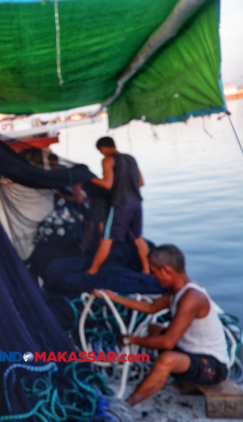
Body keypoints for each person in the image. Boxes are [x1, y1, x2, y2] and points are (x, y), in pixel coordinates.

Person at [93, 245, 229, 406]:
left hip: (213, 367)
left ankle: (126, 405)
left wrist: (131, 340)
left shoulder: (192, 297)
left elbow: (167, 343)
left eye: (154, 272)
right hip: (190, 352)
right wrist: (114, 297)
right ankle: (166, 375)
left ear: (166, 270)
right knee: (154, 327)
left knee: (167, 359)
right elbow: (151, 308)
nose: (152, 276)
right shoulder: (177, 291)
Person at [86, 136, 149, 275]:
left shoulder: (107, 159)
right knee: (138, 238)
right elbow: (141, 182)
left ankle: (92, 271)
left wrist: (88, 177)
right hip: (136, 203)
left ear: (103, 148)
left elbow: (107, 184)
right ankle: (146, 269)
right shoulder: (131, 158)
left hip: (121, 204)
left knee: (107, 238)